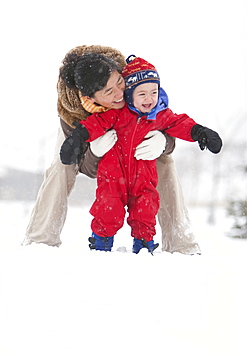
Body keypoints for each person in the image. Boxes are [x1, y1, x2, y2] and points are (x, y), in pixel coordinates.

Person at [22, 45, 201, 255]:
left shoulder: (129, 78)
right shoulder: (73, 112)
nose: (120, 94)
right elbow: (86, 168)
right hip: (83, 131)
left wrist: (164, 142)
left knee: (165, 162)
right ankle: (40, 239)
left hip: (131, 130)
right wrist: (95, 151)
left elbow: (164, 119)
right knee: (62, 167)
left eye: (119, 83)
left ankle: (180, 243)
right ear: (90, 98)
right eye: (109, 92)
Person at [60, 54, 222, 253]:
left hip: (144, 177)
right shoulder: (116, 113)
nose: (149, 98)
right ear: (130, 94)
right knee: (107, 210)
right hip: (112, 176)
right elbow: (94, 124)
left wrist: (199, 132)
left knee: (146, 210)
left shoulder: (159, 115)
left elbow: (179, 123)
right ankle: (101, 244)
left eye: (154, 92)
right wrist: (76, 139)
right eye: (142, 93)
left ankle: (144, 246)